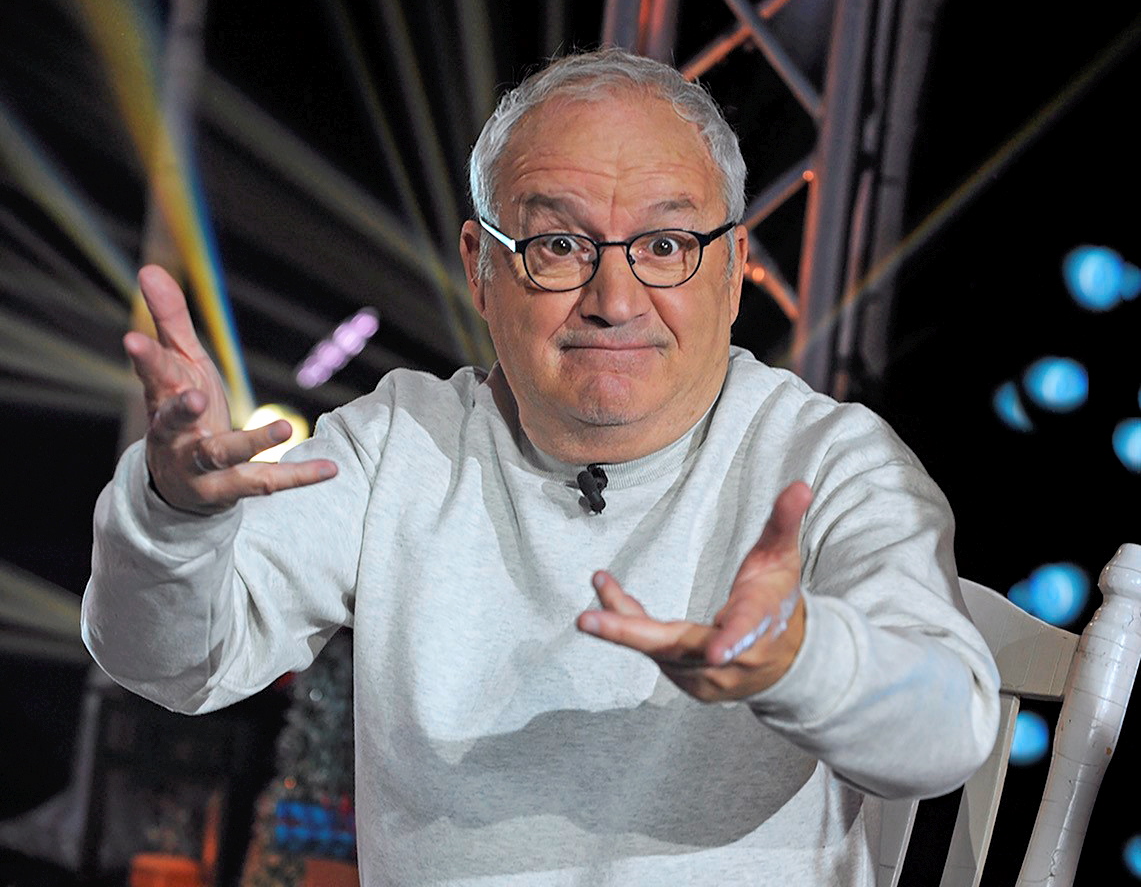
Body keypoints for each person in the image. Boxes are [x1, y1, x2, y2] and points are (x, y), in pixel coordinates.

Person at [84, 48, 1000, 885]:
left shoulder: (829, 462)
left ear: (731, 271)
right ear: (480, 267)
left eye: (665, 247)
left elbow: (948, 732)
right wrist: (175, 519)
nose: (614, 298)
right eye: (559, 245)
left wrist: (798, 663)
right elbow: (172, 666)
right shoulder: (401, 444)